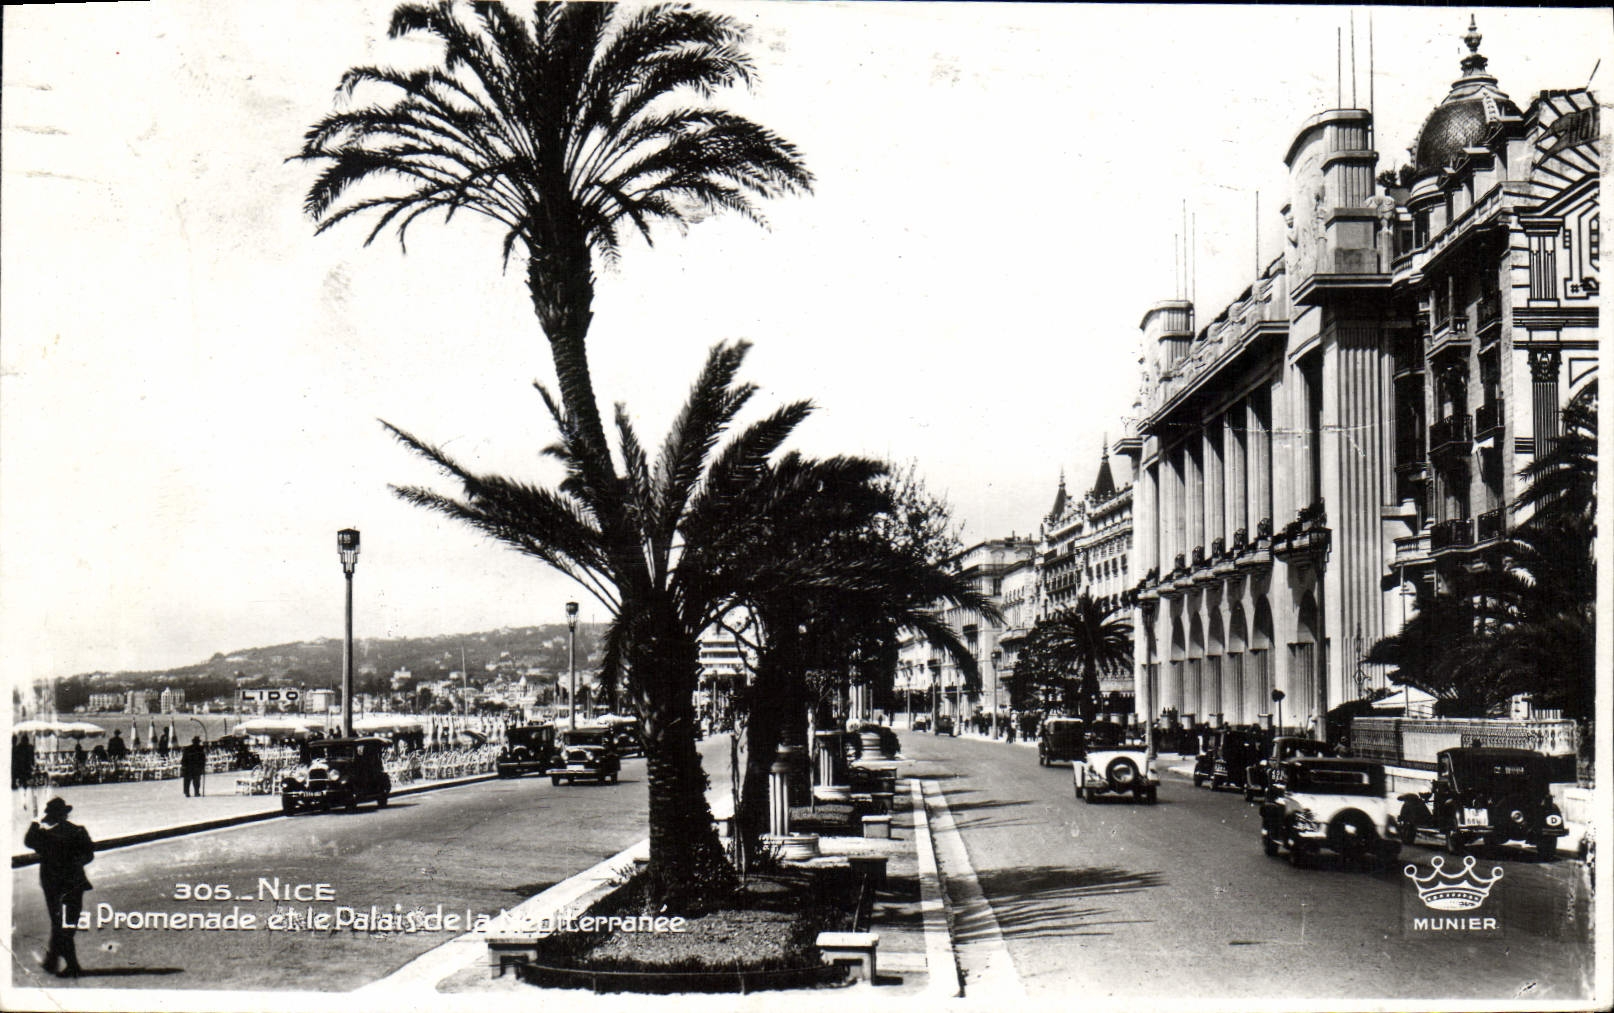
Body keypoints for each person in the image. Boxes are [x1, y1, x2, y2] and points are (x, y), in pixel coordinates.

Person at [24, 797, 93, 978]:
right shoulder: (78, 831)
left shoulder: (45, 836)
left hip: (53, 886)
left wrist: (35, 822)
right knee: (68, 924)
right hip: (74, 884)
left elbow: (28, 841)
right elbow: (89, 855)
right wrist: (74, 866)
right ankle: (64, 963)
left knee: (59, 924)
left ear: (51, 817)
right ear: (65, 814)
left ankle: (59, 962)